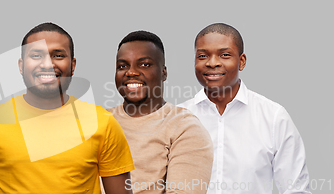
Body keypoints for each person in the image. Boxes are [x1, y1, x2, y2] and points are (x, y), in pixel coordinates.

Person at [0, 22, 135, 194]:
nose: (47, 64)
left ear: (73, 65)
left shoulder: (103, 123)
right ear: (21, 66)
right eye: (36, 55)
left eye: (58, 55)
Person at [178, 23, 311, 194]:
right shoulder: (177, 118)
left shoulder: (273, 117)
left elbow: (296, 190)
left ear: (241, 62)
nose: (212, 63)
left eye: (224, 55)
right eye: (202, 56)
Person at [107, 30, 213, 193]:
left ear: (163, 72)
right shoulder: (98, 121)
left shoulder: (185, 128)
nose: (131, 72)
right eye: (123, 66)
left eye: (144, 64)